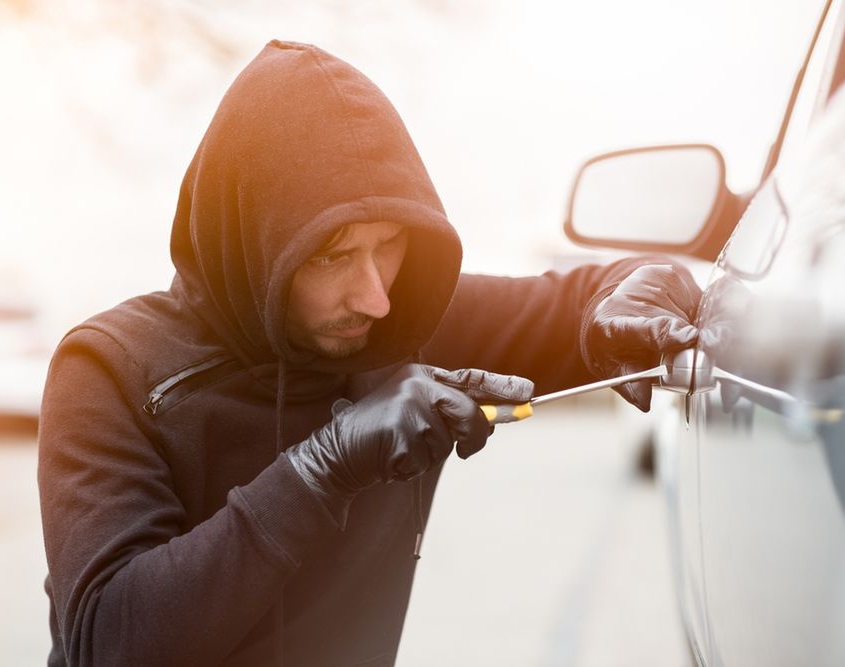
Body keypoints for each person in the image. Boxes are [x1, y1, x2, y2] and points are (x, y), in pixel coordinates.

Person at [38, 40, 699, 667]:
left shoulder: (401, 326)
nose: (375, 295)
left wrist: (638, 296)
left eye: (389, 244)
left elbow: (594, 291)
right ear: (253, 238)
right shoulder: (108, 368)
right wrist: (323, 466)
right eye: (333, 254)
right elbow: (108, 644)